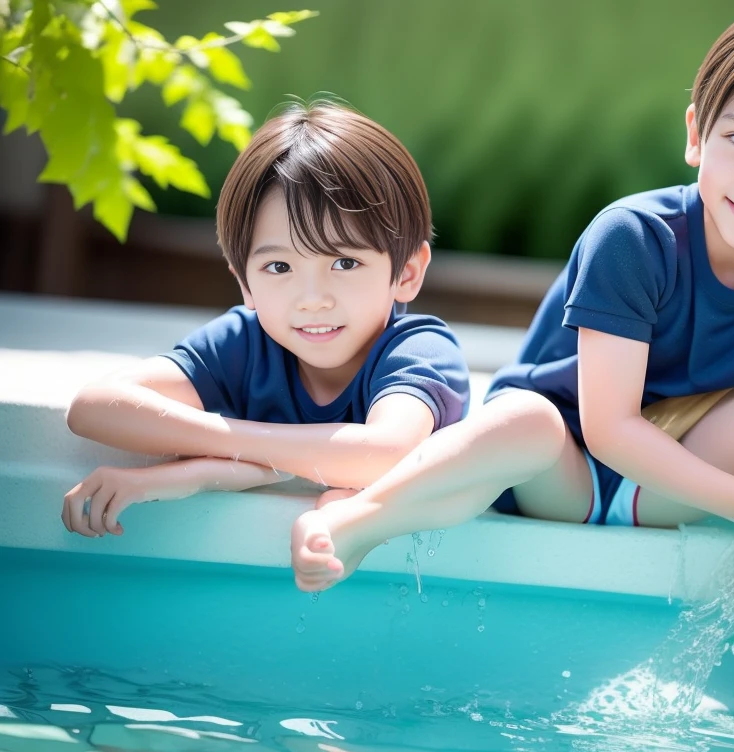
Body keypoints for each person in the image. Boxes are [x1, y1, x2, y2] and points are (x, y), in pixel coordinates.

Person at [289, 1, 734, 752]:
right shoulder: (636, 238)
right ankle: (364, 521)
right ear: (695, 134)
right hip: (562, 469)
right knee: (523, 418)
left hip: (673, 483)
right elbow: (609, 427)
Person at [61, 102, 470, 539]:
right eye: (279, 267)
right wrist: (204, 471)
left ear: (406, 273)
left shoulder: (418, 349)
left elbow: (383, 454)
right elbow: (94, 407)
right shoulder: (246, 342)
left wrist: (214, 462)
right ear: (246, 284)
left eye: (345, 263)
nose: (312, 300)